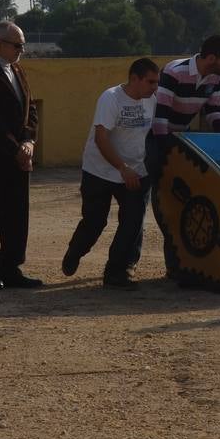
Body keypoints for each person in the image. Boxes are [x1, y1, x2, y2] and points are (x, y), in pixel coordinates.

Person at [143, 35, 220, 275]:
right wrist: (171, 155)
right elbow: (160, 119)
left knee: (180, 202)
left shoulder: (216, 77)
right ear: (211, 58)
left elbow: (214, 111)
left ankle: (178, 264)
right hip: (156, 140)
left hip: (179, 139)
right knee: (158, 199)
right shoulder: (174, 72)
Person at [61, 58, 161, 290]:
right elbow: (101, 138)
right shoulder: (111, 98)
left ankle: (117, 271)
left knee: (133, 222)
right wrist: (121, 168)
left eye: (157, 82)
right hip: (100, 170)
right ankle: (75, 251)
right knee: (95, 221)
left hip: (136, 171)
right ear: (134, 78)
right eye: (150, 82)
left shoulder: (152, 101)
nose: (155, 87)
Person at [0, 21, 41, 290]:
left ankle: (11, 266)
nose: (21, 50)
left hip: (19, 155)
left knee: (16, 213)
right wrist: (16, 148)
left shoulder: (18, 71)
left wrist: (29, 142)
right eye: (17, 45)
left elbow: (30, 109)